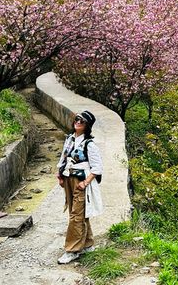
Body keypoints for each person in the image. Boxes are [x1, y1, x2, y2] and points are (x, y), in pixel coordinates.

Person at [56, 110, 103, 264]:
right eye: (77, 119)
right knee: (77, 212)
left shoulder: (89, 144)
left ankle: (72, 250)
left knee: (76, 214)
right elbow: (64, 157)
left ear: (87, 125)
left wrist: (85, 182)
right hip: (68, 179)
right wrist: (60, 175)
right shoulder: (69, 139)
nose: (78, 122)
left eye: (82, 121)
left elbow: (97, 168)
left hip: (81, 182)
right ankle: (88, 243)